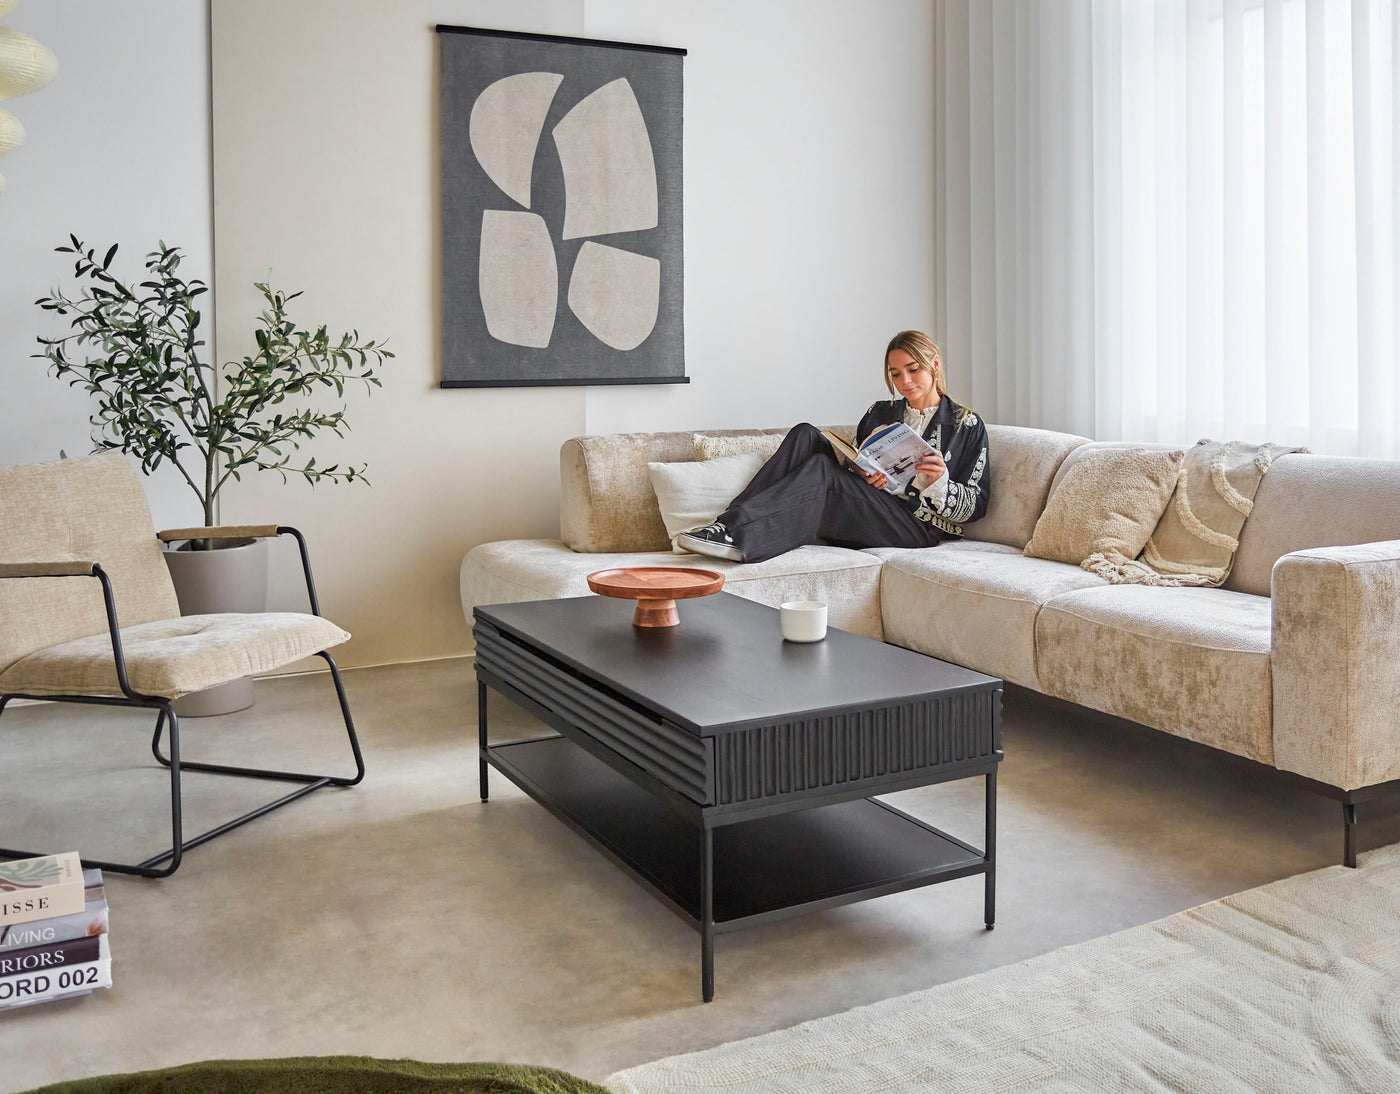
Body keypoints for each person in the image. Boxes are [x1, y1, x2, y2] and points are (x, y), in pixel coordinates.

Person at [677, 330, 990, 564]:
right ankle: (724, 524)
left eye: (913, 369)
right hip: (871, 506)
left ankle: (740, 535)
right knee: (805, 434)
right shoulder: (879, 412)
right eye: (895, 374)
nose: (904, 381)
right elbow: (857, 459)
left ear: (934, 364)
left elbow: (977, 505)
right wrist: (862, 471)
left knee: (822, 471)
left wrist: (940, 484)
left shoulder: (966, 425)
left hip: (915, 527)